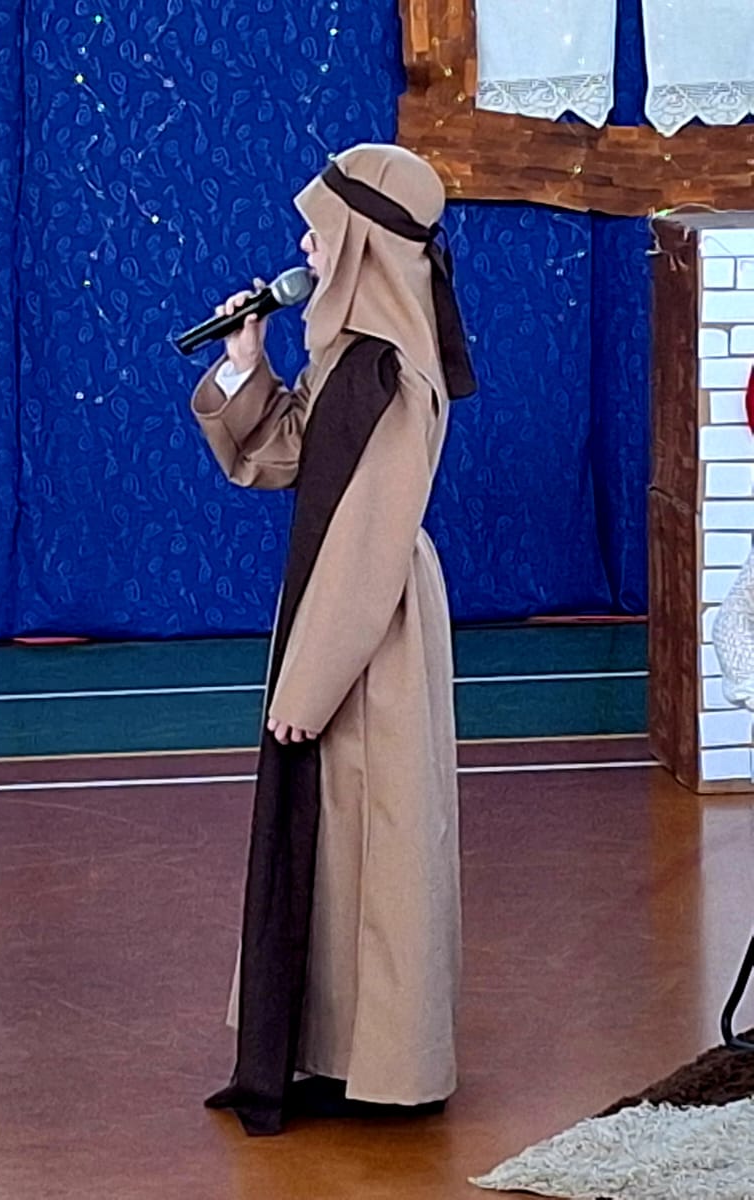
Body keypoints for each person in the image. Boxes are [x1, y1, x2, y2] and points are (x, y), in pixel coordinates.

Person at [189, 144, 477, 1135]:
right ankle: (328, 1046)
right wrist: (246, 365)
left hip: (370, 632)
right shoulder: (346, 358)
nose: (306, 248)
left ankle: (388, 1061)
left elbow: (366, 541)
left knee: (377, 837)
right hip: (335, 615)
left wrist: (305, 688)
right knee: (338, 842)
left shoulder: (391, 373)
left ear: (361, 242)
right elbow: (284, 459)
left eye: (320, 232)